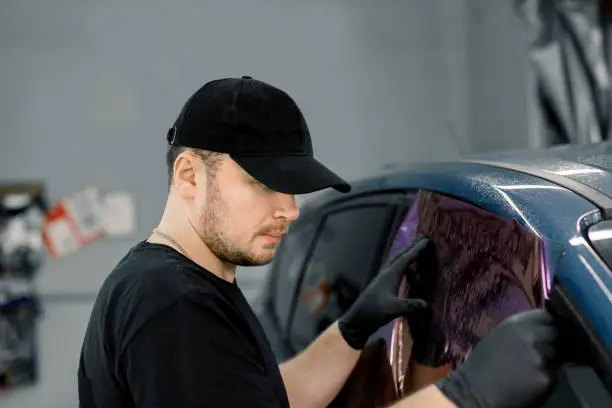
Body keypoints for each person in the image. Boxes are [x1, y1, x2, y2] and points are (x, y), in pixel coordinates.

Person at [78, 76, 558, 408]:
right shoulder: (173, 306)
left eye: (292, 187)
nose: (289, 209)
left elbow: (266, 397)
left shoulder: (174, 283)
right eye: (264, 183)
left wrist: (347, 333)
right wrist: (462, 397)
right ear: (189, 176)